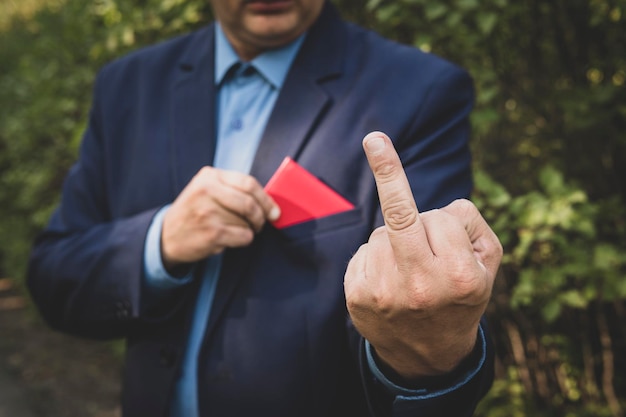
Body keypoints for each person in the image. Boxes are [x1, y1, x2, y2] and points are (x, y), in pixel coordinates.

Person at [27, 0, 503, 416]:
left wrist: (427, 350)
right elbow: (54, 278)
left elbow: (424, 315)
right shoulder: (126, 87)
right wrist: (160, 242)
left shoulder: (420, 91)